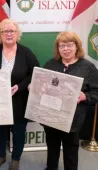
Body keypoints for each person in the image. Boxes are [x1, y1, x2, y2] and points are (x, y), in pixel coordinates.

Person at [0, 19, 39, 170]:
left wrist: (20, 86)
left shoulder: (26, 53)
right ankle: (1, 156)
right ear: (0, 34)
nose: (9, 34)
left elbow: (35, 73)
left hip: (20, 99)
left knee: (18, 131)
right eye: (5, 31)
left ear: (17, 34)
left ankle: (16, 158)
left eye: (12, 31)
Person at [42, 31, 98, 170]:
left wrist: (85, 96)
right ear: (58, 48)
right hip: (51, 117)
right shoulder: (51, 64)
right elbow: (43, 85)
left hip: (73, 119)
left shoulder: (87, 67)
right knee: (52, 147)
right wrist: (35, 87)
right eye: (61, 46)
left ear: (77, 46)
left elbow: (96, 91)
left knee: (71, 151)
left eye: (69, 45)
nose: (65, 49)